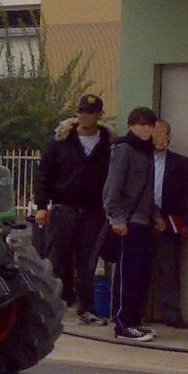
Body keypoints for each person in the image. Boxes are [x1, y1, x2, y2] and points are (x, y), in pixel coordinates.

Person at [33, 93, 112, 325]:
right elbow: (43, 174)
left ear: (99, 115)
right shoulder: (60, 141)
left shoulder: (107, 144)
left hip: (93, 211)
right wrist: (41, 206)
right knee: (56, 262)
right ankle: (49, 310)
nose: (84, 116)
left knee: (87, 264)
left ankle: (86, 310)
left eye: (90, 113)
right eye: (81, 112)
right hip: (63, 210)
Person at [103, 106, 159, 341]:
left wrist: (155, 214)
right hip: (128, 221)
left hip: (144, 221)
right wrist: (116, 218)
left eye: (150, 125)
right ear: (131, 125)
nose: (146, 129)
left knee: (140, 274)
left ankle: (135, 320)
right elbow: (112, 187)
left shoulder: (147, 152)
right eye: (141, 124)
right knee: (127, 274)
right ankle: (123, 323)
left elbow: (148, 191)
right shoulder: (124, 149)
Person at [149, 119, 188, 328]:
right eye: (156, 132)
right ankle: (133, 313)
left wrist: (187, 223)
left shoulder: (180, 163)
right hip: (142, 218)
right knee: (138, 268)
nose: (160, 137)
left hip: (170, 222)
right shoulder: (139, 158)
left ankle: (172, 314)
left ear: (169, 137)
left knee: (169, 269)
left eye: (164, 133)